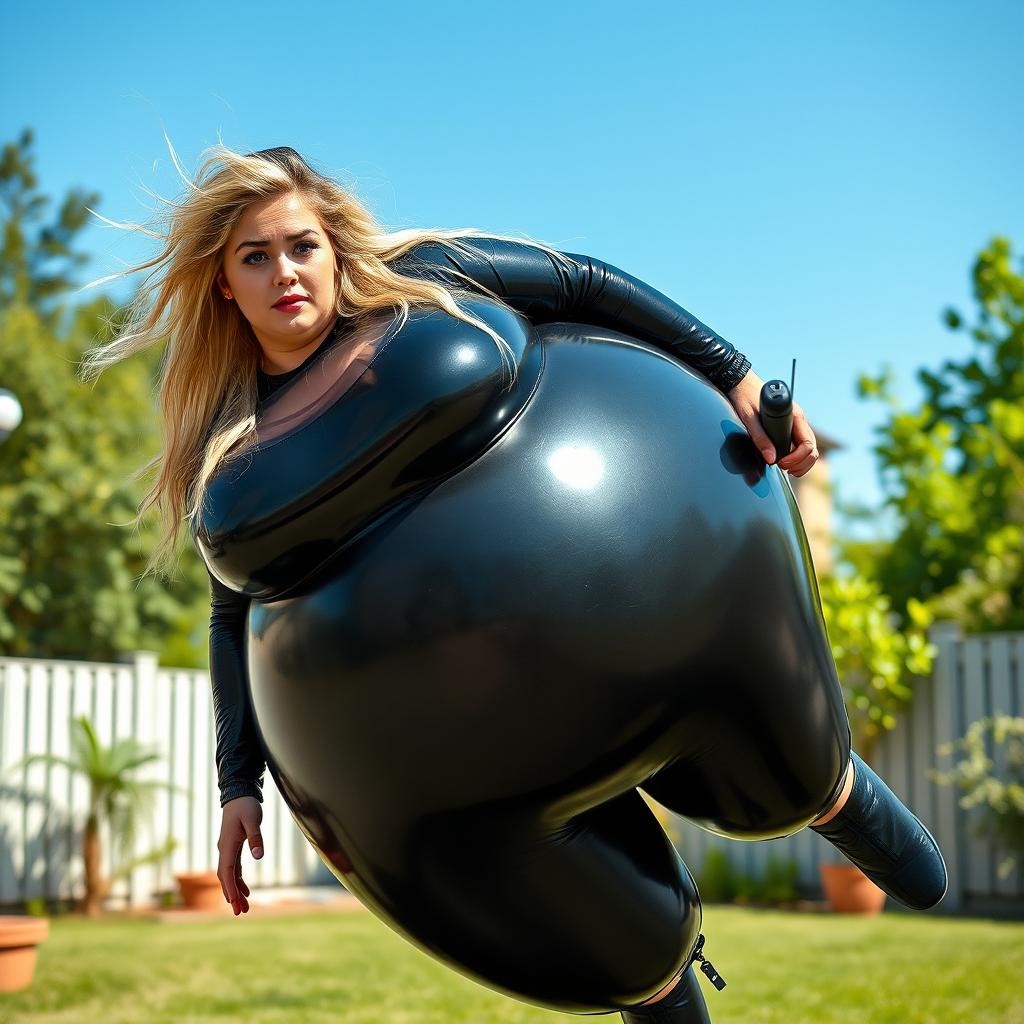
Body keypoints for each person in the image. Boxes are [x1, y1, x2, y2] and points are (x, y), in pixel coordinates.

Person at [81, 144, 947, 1023]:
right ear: (223, 284)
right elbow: (233, 617)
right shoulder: (230, 444)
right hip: (453, 774)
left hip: (663, 603)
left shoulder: (428, 282)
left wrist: (735, 372)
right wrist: (238, 786)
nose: (285, 274)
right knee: (627, 944)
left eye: (300, 245)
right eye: (254, 258)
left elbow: (585, 285)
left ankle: (858, 817)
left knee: (786, 783)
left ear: (334, 245)